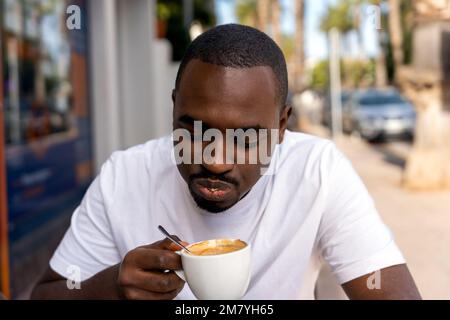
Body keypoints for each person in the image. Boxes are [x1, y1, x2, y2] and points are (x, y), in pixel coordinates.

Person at [31, 24, 420, 300]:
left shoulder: (317, 172)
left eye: (245, 138)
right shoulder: (125, 177)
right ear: (173, 110)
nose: (215, 162)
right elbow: (48, 294)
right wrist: (112, 288)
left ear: (281, 125)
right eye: (196, 132)